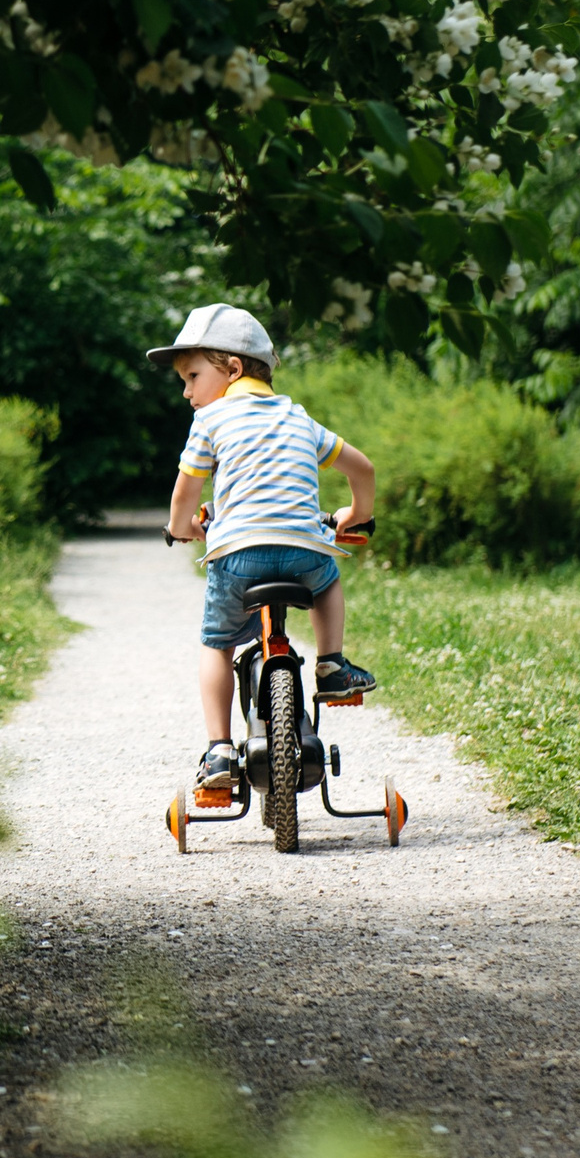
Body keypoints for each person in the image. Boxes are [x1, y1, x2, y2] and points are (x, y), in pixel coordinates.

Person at [150, 303, 379, 796]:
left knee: (217, 643)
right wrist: (355, 514)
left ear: (231, 369)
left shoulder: (211, 422)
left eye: (191, 376)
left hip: (238, 557)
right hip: (305, 552)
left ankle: (218, 751)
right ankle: (333, 665)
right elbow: (363, 469)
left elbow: (185, 493)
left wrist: (182, 526)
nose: (188, 391)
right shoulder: (300, 419)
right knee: (329, 582)